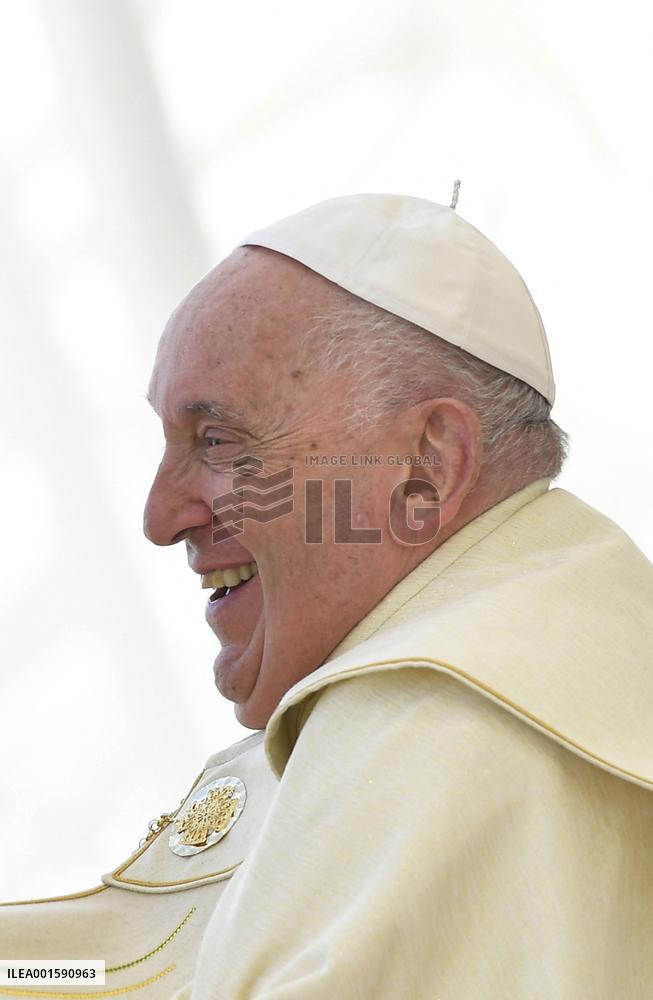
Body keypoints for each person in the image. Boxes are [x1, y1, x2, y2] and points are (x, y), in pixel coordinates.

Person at [3, 192, 652, 999]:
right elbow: (144, 969)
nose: (160, 517)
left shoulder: (440, 725)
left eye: (218, 441)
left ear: (425, 467)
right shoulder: (535, 654)